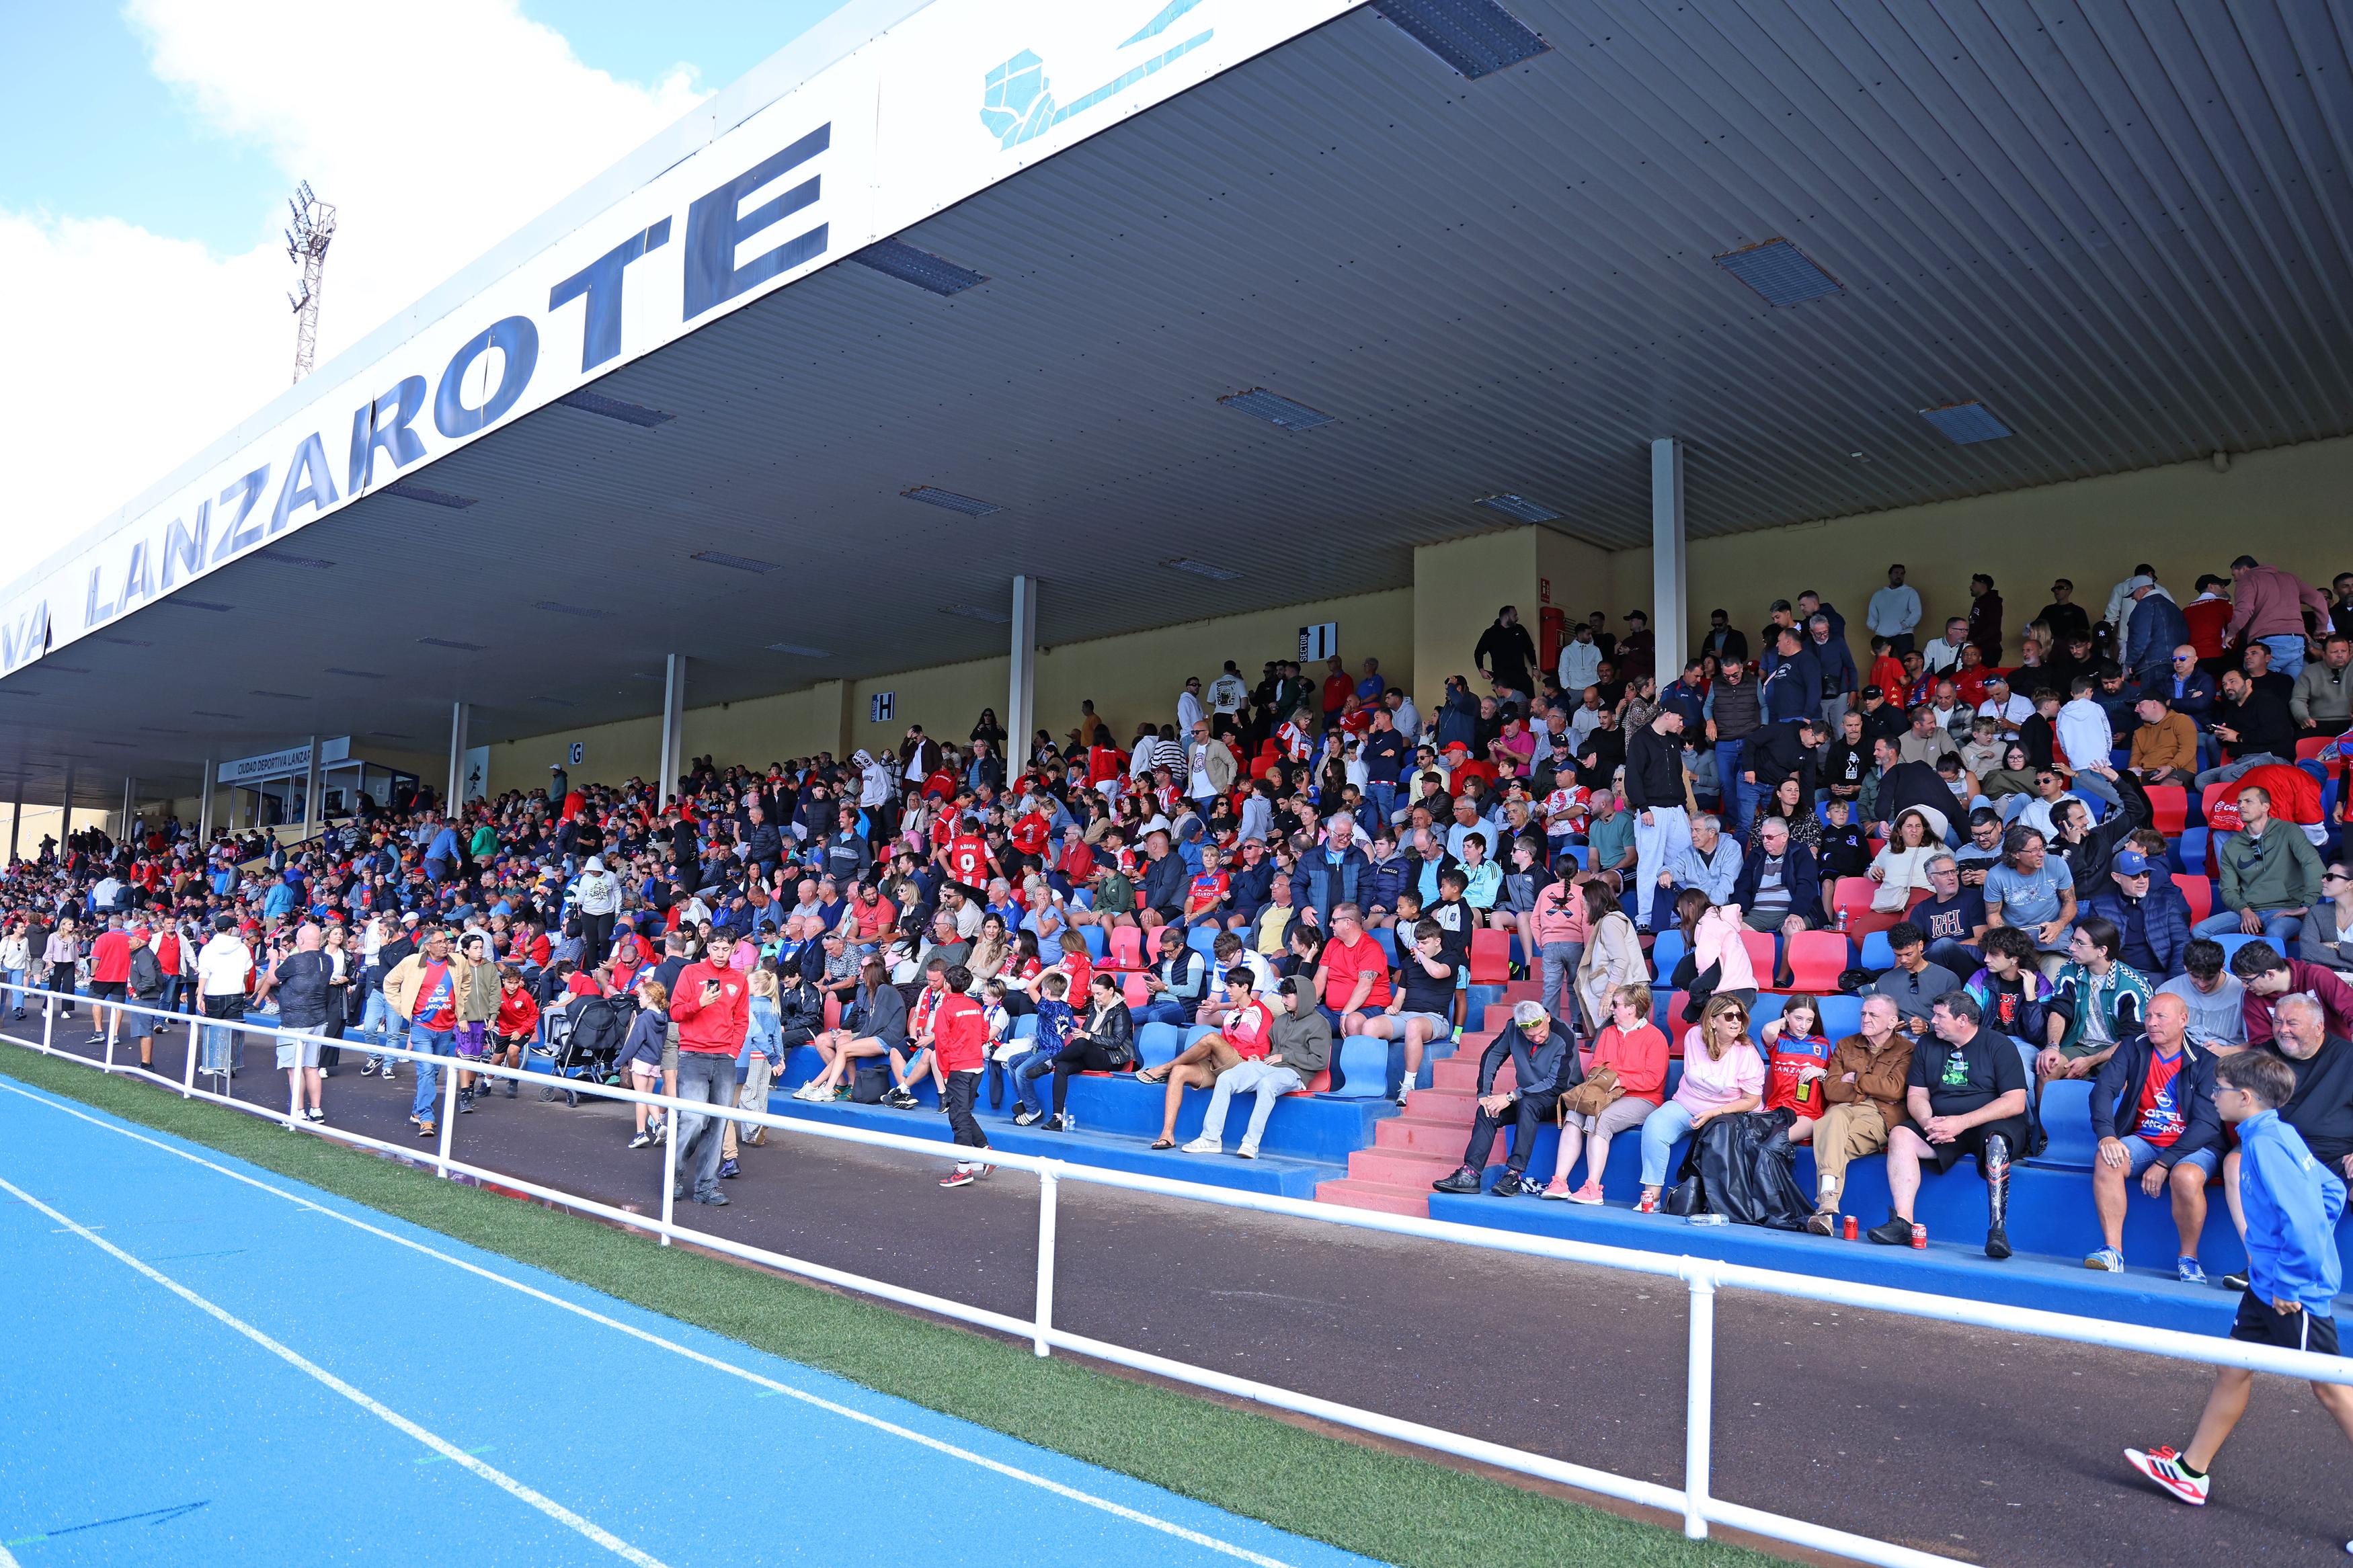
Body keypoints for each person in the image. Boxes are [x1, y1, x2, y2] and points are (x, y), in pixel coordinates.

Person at [2123, 1049, 2352, 1529]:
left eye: (2220, 1089)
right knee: (2235, 1367)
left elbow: (2309, 1217)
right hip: (2269, 1283)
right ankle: (2191, 1470)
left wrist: (2292, 1274)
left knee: (2333, 1390)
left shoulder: (2268, 1145)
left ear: (2245, 1097)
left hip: (2291, 1290)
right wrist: (2278, 1260)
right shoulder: (2277, 1134)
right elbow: (2331, 1193)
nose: (2212, 1095)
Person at [1868, 991, 2029, 1258]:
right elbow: (1917, 1095)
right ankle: (1903, 1223)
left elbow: (2015, 1102)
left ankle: (1997, 1231)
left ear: (1963, 1020)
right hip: (1943, 1124)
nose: (1932, 1021)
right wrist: (1929, 1123)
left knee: (1997, 1141)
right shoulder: (1928, 1044)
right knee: (1900, 1135)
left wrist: (1962, 1122)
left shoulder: (1999, 1045)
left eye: (1940, 1016)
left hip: (1989, 1123)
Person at [2084, 993, 2221, 1280]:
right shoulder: (2133, 1048)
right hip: (2145, 1140)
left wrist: (2165, 1163)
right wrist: (2107, 1136)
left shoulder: (2206, 1061)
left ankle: (2189, 1259)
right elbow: (2103, 1090)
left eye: (2161, 1017)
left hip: (2192, 1147)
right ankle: (2112, 1252)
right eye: (2148, 1016)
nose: (2152, 1023)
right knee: (2107, 1159)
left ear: (2183, 1020)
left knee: (2184, 1176)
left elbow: (2207, 1124)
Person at [1430, 999, 1582, 1197]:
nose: (1537, 1038)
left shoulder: (1564, 1035)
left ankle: (1514, 1175)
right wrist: (1484, 1094)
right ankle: (1470, 1174)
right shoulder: (1513, 1029)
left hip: (1560, 1100)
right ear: (1521, 1029)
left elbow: (1556, 1084)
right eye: (1531, 1036)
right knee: (1488, 1110)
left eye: (1541, 1033)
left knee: (1527, 1104)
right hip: (1526, 1095)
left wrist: (1512, 1096)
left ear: (1547, 1018)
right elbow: (1492, 1055)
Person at [1633, 995, 1765, 1213]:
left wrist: (1715, 1112)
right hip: (1687, 1104)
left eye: (1739, 1016)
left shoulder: (1747, 1053)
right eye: (1729, 1016)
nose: (1736, 1022)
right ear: (1713, 1021)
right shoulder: (1694, 1036)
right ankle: (1652, 1196)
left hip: (1728, 1112)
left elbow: (1752, 1100)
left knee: (1720, 1135)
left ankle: (1716, 1205)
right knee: (1655, 1124)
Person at [1540, 983, 1667, 1202]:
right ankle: (1560, 1182)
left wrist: (1619, 1080)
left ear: (1632, 1008)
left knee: (1600, 1119)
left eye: (1616, 1005)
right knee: (1573, 1114)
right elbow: (1596, 1065)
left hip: (1642, 1098)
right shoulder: (1608, 1033)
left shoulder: (1655, 1038)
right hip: (1606, 1093)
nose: (1612, 1009)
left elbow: (1653, 1079)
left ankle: (1593, 1188)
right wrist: (1605, 1080)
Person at [1183, 977, 1331, 1159]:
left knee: (1267, 1084)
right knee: (1226, 1078)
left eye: (1287, 997)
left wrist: (1286, 1057)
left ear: (1302, 997)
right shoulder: (1282, 1020)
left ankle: (1251, 1144)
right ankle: (1211, 1138)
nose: (1283, 1001)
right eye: (1282, 997)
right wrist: (1261, 1059)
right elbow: (1274, 1052)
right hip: (1271, 1065)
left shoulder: (1319, 1024)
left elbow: (1320, 1061)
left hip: (1296, 1073)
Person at [1806, 994, 1916, 1233]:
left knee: (1829, 1139)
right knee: (1833, 1117)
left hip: (1881, 1114)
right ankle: (1827, 1205)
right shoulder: (1845, 1045)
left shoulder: (1907, 1050)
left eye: (1874, 1015)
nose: (1866, 1019)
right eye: (1863, 1014)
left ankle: (1825, 1208)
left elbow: (1895, 1089)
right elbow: (1832, 1089)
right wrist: (1872, 1087)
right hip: (1845, 1108)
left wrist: (1856, 1079)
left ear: (1892, 1021)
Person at [668, 926, 750, 1207]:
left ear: (734, 948)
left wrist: (733, 1051)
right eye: (715, 948)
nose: (719, 953)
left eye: (725, 949)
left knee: (718, 1124)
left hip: (724, 1059)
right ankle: (675, 1175)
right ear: (707, 946)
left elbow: (742, 1019)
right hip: (692, 1056)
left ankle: (706, 1185)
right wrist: (698, 1003)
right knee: (693, 1120)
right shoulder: (690, 973)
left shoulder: (739, 979)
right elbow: (676, 1012)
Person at [2039, 915, 2153, 1102]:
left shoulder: (2132, 985)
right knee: (2047, 1067)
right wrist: (2052, 1047)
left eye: (2080, 943)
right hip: (2078, 1044)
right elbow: (2059, 1011)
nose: (2071, 948)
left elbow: (2133, 1040)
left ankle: (2117, 1131)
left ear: (2102, 950)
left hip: (2116, 1049)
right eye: (2073, 940)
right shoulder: (2069, 971)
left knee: (2126, 1077)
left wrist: (2090, 1062)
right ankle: (2046, 1132)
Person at [2198, 784, 2322, 946]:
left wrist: (2308, 904)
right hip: (2247, 911)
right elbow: (2228, 889)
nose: (2241, 806)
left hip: (2285, 910)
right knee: (2200, 931)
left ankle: (2273, 972)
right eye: (2239, 802)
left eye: (2248, 801)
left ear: (2265, 807)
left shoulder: (2288, 831)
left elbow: (2312, 864)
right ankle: (2223, 972)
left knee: (2275, 933)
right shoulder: (2232, 846)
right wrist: (2244, 910)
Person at [382, 925, 470, 1142]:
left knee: (432, 1072)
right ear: (427, 946)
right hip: (422, 1027)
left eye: (446, 941)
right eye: (439, 942)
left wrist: (461, 1006)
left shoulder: (459, 962)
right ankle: (426, 1118)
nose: (445, 945)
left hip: (446, 1028)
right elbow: (390, 983)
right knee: (426, 1070)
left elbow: (466, 982)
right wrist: (404, 1009)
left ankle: (417, 1110)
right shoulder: (412, 962)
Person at [1359, 922, 1458, 1106]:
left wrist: (1421, 957)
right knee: (1369, 1025)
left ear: (1437, 942)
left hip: (1435, 1018)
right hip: (1405, 1015)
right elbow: (1400, 996)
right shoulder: (1410, 963)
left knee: (1414, 1025)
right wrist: (1393, 1008)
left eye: (1424, 943)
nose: (1419, 947)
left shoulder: (1450, 958)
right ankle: (1371, 1084)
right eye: (1418, 943)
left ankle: (1408, 1086)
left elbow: (1437, 972)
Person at [1625, 708, 1690, 932]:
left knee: (1682, 862)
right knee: (1649, 864)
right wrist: (1643, 807)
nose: (1681, 723)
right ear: (1668, 714)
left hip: (1676, 809)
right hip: (1651, 808)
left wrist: (1685, 810)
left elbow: (1678, 778)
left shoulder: (1673, 740)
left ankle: (1680, 916)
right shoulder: (1641, 738)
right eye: (1679, 718)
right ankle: (1644, 918)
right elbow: (1633, 776)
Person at [932, 964, 995, 1188]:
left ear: (948, 985)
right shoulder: (976, 1007)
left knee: (958, 1117)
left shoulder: (945, 1010)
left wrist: (946, 1073)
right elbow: (985, 1035)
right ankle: (986, 1152)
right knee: (964, 1113)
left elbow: (942, 1045)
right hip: (977, 1066)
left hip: (958, 1069)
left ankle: (963, 1169)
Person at [2223, 554, 2330, 681]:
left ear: (2244, 569)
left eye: (2235, 576)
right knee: (2293, 688)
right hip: (2296, 641)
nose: (2235, 580)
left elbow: (2245, 609)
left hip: (2269, 641)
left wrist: (2231, 633)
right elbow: (2317, 598)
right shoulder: (2289, 578)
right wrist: (2322, 626)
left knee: (2263, 686)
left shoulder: (2248, 579)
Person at [1863, 921, 1960, 1039]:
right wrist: (1887, 1026)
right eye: (1898, 955)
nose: (1903, 960)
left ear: (1920, 946)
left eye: (1909, 954)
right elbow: (1874, 1017)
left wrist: (1928, 1027)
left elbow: (1955, 1020)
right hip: (1894, 1039)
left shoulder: (1947, 978)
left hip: (1933, 1038)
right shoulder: (1884, 981)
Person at [1474, 606, 1538, 700]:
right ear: (1506, 617)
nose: (1517, 618)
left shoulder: (1520, 630)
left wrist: (1535, 667)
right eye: (1515, 616)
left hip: (1520, 674)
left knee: (1529, 702)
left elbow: (1529, 649)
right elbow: (1479, 652)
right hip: (1502, 678)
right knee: (1508, 707)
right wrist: (1481, 670)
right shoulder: (1491, 633)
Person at [1867, 563, 1921, 657]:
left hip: (1904, 634)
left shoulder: (1910, 592)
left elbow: (1916, 613)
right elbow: (1872, 616)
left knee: (1907, 663)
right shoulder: (1878, 595)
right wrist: (1877, 628)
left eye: (1902, 573)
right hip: (1882, 635)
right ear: (1890, 575)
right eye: (1896, 573)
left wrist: (1903, 626)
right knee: (1883, 664)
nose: (1899, 576)